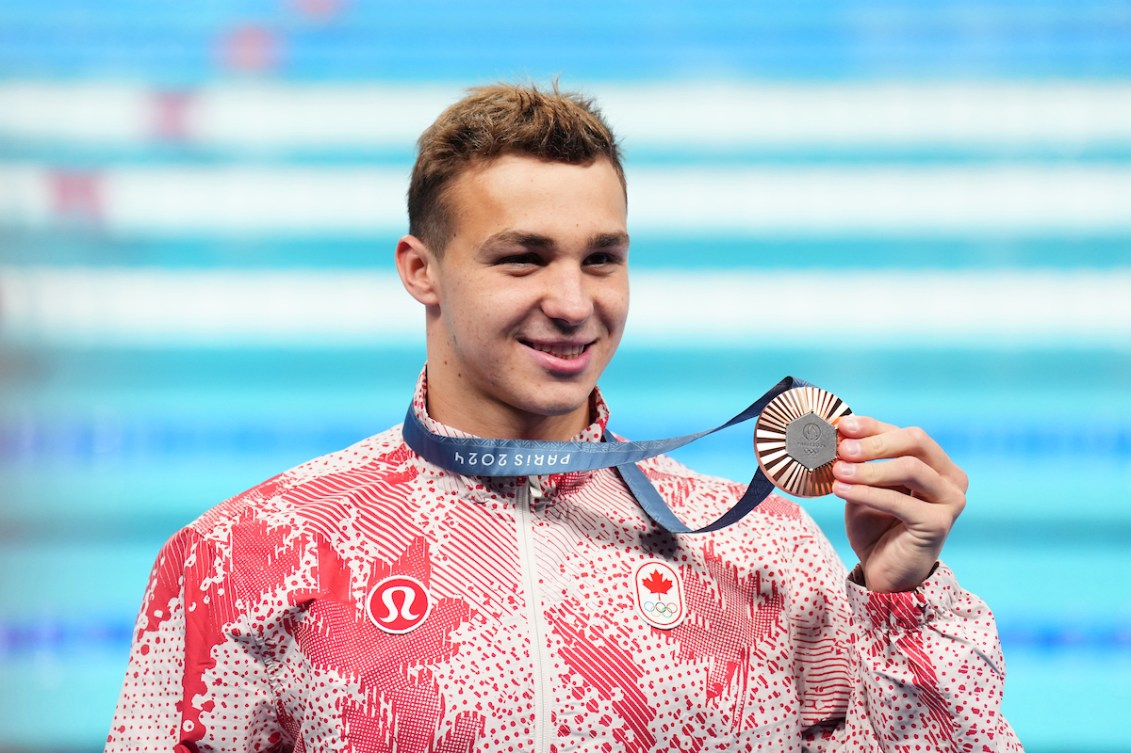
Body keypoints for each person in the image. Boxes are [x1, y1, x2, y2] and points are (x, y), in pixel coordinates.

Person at [106, 83, 1022, 752]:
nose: (573, 301)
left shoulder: (767, 552)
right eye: (522, 259)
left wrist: (900, 598)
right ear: (419, 269)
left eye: (601, 259)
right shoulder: (250, 553)